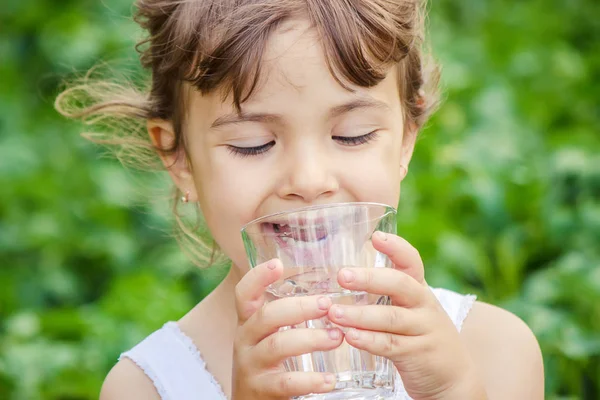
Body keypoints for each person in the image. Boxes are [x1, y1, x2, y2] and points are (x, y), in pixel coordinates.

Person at [56, 0, 544, 398]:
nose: (309, 181)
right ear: (178, 156)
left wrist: (453, 392)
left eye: (353, 135)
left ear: (406, 140)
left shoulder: (493, 349)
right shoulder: (146, 388)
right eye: (253, 144)